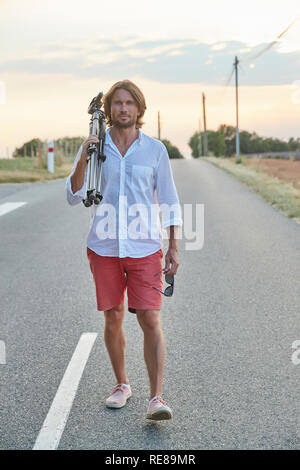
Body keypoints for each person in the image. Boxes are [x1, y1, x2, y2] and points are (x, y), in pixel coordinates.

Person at [65, 80, 182, 420]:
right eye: (117, 103)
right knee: (113, 315)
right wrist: (84, 158)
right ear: (109, 109)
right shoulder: (94, 147)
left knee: (149, 317)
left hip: (145, 246)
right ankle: (122, 384)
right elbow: (73, 194)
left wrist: (173, 246)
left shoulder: (155, 150)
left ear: (139, 109)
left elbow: (170, 201)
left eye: (130, 103)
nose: (124, 109)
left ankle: (156, 398)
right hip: (104, 247)